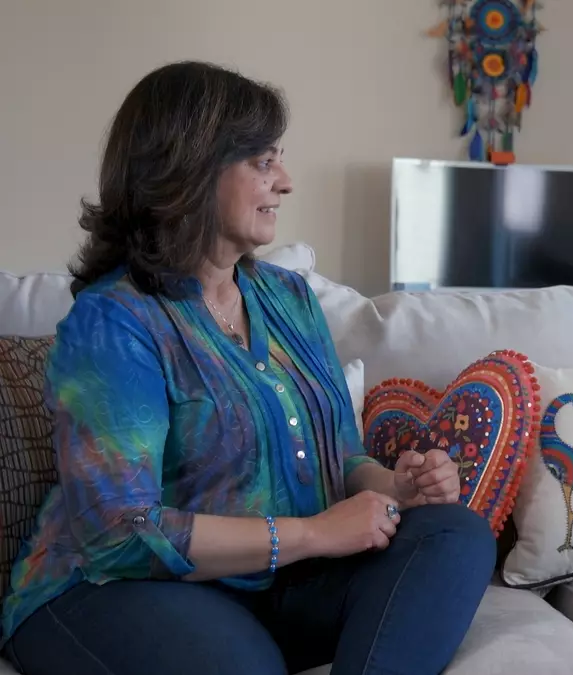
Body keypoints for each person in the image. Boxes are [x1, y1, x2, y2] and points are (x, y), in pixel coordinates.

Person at [1, 61, 496, 675]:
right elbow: (121, 535)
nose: (285, 182)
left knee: (454, 534)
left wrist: (395, 487)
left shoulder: (290, 299)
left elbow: (341, 459)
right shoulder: (116, 321)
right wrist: (314, 534)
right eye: (263, 162)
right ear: (190, 170)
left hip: (280, 582)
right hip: (116, 590)